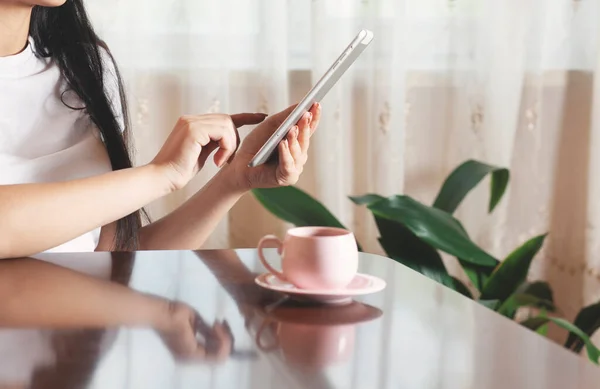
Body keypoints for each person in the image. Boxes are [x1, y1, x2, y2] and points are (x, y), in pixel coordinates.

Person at [0, 0, 321, 258]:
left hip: (81, 331)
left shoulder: (86, 67)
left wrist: (234, 180)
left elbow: (116, 258)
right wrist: (161, 174)